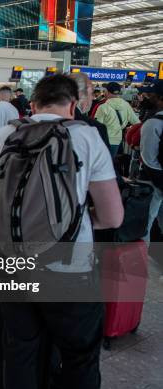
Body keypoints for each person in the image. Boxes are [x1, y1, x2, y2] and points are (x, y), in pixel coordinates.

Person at [0, 74, 124, 389]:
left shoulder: (5, 134)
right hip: (69, 269)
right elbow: (114, 217)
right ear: (73, 105)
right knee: (80, 358)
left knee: (20, 351)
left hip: (10, 265)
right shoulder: (86, 138)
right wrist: (79, 222)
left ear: (32, 104)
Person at [138, 80, 163, 284]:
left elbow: (148, 158)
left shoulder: (154, 123)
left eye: (151, 95)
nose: (146, 98)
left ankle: (138, 265)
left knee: (145, 222)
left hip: (155, 182)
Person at [94, 82, 139, 157]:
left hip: (103, 141)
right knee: (110, 163)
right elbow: (137, 123)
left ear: (107, 92)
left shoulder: (103, 107)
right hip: (117, 141)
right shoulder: (126, 105)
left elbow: (96, 127)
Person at [69, 72, 110, 148]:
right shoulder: (94, 128)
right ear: (81, 95)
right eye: (91, 93)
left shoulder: (45, 121)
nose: (92, 98)